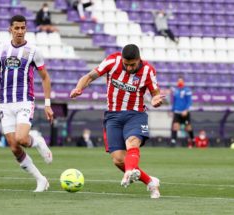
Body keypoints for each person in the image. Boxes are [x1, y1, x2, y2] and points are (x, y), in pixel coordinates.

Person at [70, 44, 164, 199]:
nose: (128, 68)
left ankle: (129, 172)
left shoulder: (148, 70)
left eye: (132, 65)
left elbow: (155, 93)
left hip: (136, 114)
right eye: (126, 65)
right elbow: (88, 77)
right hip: (113, 116)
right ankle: (150, 181)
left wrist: (155, 100)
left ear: (139, 59)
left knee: (132, 143)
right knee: (119, 160)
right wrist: (79, 88)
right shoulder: (112, 61)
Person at [0, 15, 54, 192]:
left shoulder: (33, 51)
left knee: (22, 139)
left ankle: (36, 141)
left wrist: (47, 104)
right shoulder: (1, 49)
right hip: (5, 103)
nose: (20, 31)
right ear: (10, 29)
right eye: (17, 28)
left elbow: (45, 77)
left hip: (24, 100)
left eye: (23, 28)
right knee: (14, 147)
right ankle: (41, 179)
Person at [170, 77, 194, 148]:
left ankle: (192, 140)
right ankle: (173, 141)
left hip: (184, 112)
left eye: (181, 81)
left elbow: (189, 101)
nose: (179, 82)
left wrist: (186, 110)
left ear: (183, 82)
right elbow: (174, 102)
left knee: (188, 127)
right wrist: (172, 110)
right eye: (178, 81)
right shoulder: (176, 91)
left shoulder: (187, 90)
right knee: (175, 126)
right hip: (177, 111)